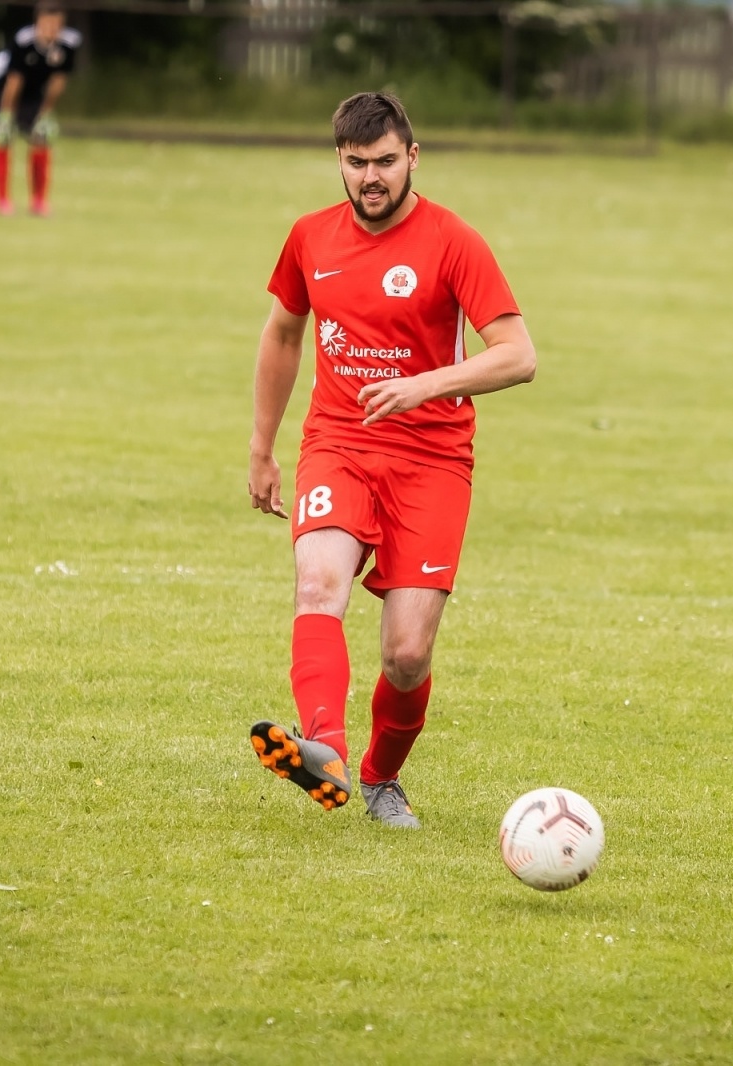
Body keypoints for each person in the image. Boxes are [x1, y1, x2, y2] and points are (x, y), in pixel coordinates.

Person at [247, 92, 537, 829]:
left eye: (383, 162)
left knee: (407, 654)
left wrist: (424, 386)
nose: (369, 177)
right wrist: (262, 449)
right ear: (338, 163)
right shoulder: (310, 237)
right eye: (355, 164)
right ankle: (326, 752)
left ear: (412, 157)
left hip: (434, 457)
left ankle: (379, 779)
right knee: (318, 585)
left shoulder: (453, 242)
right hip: (338, 442)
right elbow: (284, 335)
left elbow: (518, 357)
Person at [0, 0, 80, 216]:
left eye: (56, 25)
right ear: (38, 23)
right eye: (47, 25)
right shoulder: (24, 40)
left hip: (33, 92)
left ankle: (38, 202)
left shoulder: (69, 43)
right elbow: (14, 80)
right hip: (0, 87)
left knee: (41, 138)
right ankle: (2, 200)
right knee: (2, 137)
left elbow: (58, 81)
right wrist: (6, 113)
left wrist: (45, 113)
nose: (52, 31)